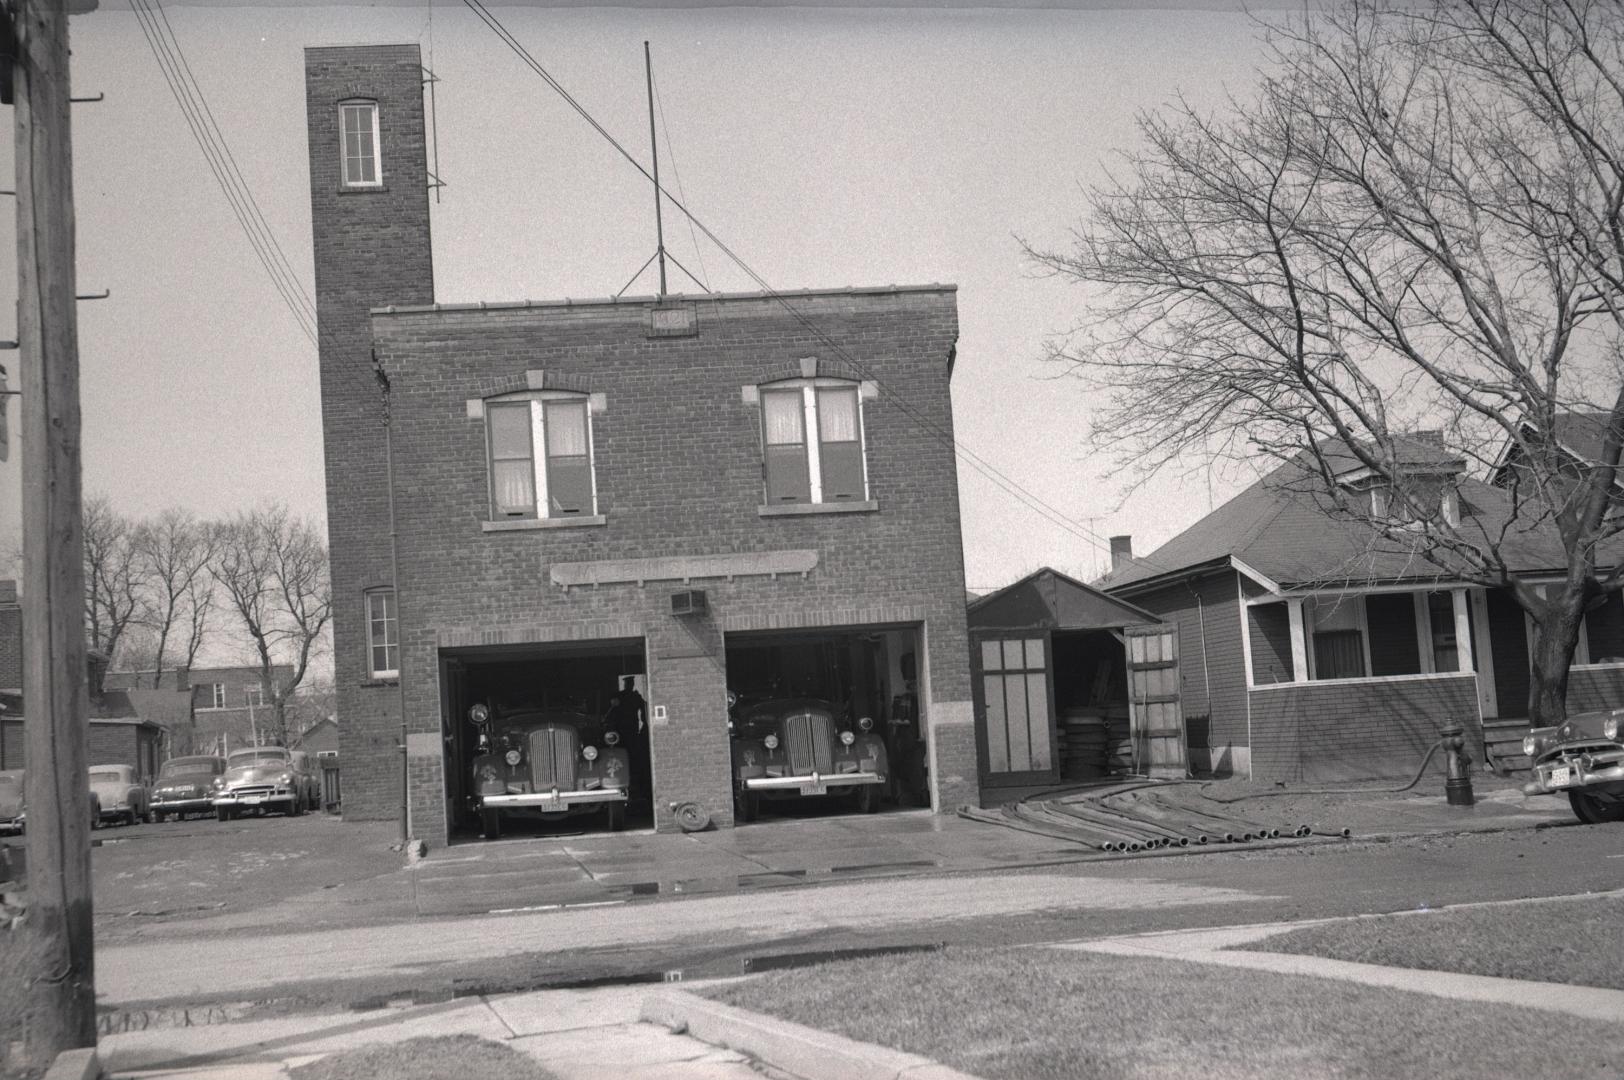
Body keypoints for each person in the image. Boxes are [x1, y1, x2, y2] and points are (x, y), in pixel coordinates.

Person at [605, 676, 649, 809]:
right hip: (621, 731)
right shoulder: (622, 696)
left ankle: (634, 784)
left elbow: (643, 710)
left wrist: (644, 725)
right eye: (628, 683)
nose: (629, 685)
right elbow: (611, 712)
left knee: (633, 757)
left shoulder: (635, 697)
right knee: (620, 756)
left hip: (630, 731)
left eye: (630, 682)